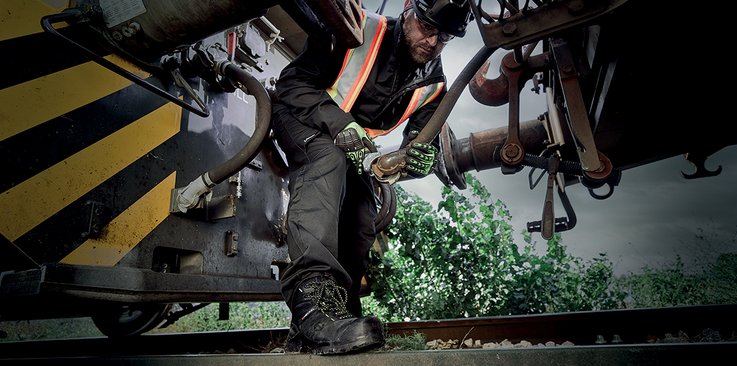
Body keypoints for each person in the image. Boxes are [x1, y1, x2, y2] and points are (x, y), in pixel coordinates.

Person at [270, 0, 473, 355]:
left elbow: (418, 140)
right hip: (299, 117)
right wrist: (341, 124)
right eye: (427, 28)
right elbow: (291, 85)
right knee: (326, 159)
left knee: (362, 218)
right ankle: (311, 305)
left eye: (444, 37)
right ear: (409, 9)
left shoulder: (434, 85)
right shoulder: (357, 30)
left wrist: (418, 158)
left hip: (350, 149)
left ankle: (335, 319)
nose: (433, 42)